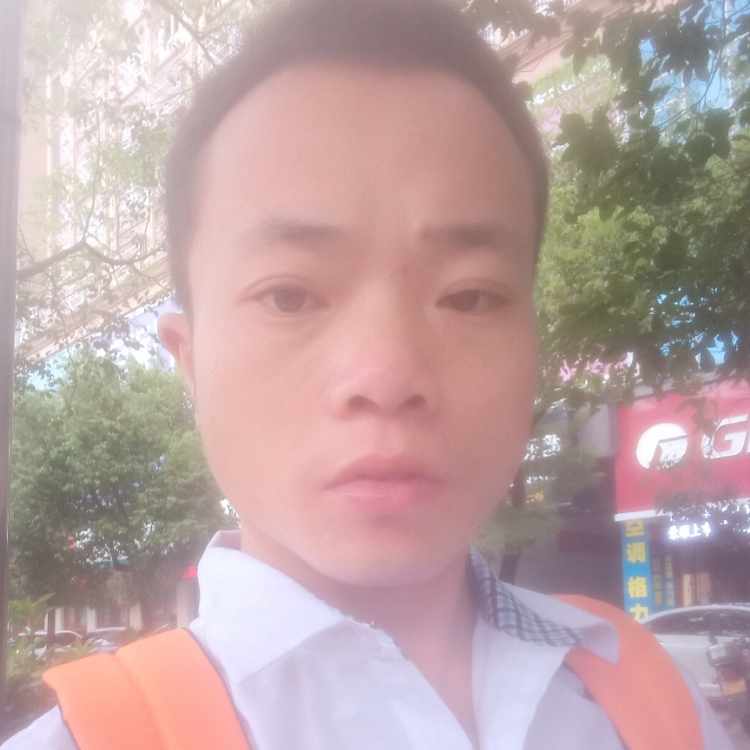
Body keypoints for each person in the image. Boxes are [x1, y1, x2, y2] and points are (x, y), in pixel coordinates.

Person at [3, 0, 733, 748]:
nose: (387, 375)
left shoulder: (651, 700)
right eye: (289, 296)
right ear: (188, 360)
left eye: (469, 296)